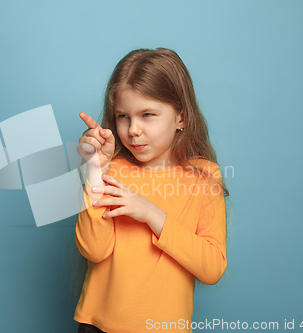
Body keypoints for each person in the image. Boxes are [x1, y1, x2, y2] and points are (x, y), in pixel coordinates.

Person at [73, 47, 229, 333]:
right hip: (97, 326)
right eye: (123, 116)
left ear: (180, 117)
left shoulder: (204, 178)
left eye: (147, 114)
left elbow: (212, 268)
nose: (133, 129)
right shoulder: (113, 169)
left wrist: (152, 214)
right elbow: (93, 250)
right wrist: (95, 170)